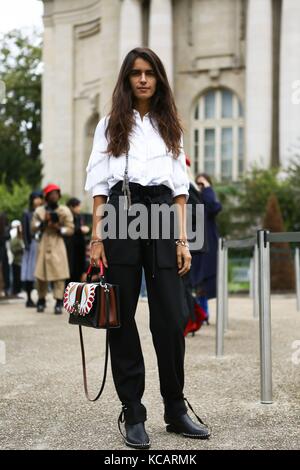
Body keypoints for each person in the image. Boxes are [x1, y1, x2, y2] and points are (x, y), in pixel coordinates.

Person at [85, 47, 210, 449]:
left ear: (158, 79)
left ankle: (174, 408)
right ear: (126, 79)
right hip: (121, 212)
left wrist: (183, 240)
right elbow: (99, 186)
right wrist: (97, 236)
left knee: (171, 318)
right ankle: (133, 412)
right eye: (136, 73)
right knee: (120, 317)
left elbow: (179, 190)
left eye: (150, 73)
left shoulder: (171, 125)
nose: (143, 79)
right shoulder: (109, 125)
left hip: (160, 214)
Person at [31, 184, 74, 314]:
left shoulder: (64, 210)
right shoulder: (39, 211)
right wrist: (43, 223)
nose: (54, 195)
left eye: (56, 193)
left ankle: (59, 301)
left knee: (59, 274)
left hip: (57, 242)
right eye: (51, 193)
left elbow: (70, 229)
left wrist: (58, 227)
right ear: (46, 196)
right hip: (44, 242)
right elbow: (33, 227)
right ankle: (41, 299)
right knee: (40, 274)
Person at [190, 173, 222, 321]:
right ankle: (198, 313)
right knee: (195, 280)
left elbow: (213, 208)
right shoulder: (194, 198)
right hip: (196, 243)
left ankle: (203, 312)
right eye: (199, 184)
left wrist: (208, 188)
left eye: (204, 184)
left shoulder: (208, 198)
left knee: (205, 279)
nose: (201, 187)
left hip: (208, 244)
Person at [21, 190, 44, 307]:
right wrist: (27, 244)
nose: (38, 200)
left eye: (40, 198)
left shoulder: (44, 212)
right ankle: (29, 298)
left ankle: (42, 297)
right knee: (29, 272)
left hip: (43, 244)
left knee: (42, 272)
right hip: (32, 244)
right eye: (36, 198)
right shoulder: (27, 213)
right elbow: (25, 230)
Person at [9, 220, 24, 296]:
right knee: (16, 278)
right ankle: (16, 291)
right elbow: (13, 249)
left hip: (22, 261)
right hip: (16, 261)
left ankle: (19, 290)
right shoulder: (14, 238)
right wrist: (21, 250)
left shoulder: (23, 238)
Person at [0, 212, 10, 297]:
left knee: (4, 270)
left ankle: (5, 289)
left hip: (3, 250)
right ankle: (5, 289)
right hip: (3, 250)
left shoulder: (5, 229)